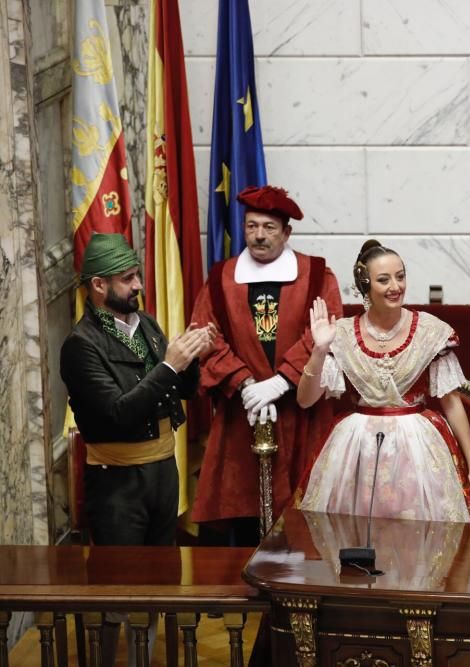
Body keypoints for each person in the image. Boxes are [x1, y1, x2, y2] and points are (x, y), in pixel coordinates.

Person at [60, 232, 215, 665]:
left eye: (138, 276)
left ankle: (146, 659)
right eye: (127, 279)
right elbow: (119, 414)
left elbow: (179, 391)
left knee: (159, 577)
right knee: (118, 585)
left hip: (162, 471)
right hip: (117, 485)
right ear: (99, 286)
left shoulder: (145, 323)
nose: (138, 286)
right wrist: (170, 364)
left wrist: (193, 355)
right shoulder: (81, 345)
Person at [297, 240, 470, 522]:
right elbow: (305, 400)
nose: (395, 286)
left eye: (400, 276)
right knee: (357, 536)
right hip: (358, 451)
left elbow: (452, 404)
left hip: (419, 451)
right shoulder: (340, 333)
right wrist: (319, 350)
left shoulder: (431, 331)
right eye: (384, 279)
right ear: (366, 286)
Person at [190, 185, 343, 544]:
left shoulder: (318, 275)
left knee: (306, 521)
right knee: (246, 518)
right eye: (251, 226)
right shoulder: (219, 279)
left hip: (300, 411)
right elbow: (204, 336)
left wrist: (281, 382)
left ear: (286, 232)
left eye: (269, 227)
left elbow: (328, 330)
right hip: (244, 414)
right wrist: (246, 385)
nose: (259, 235)